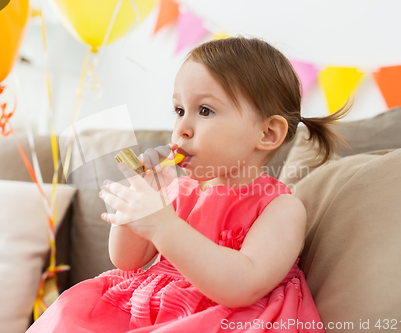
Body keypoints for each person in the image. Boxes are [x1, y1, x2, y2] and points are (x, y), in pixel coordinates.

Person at [26, 36, 351, 333]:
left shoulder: (280, 206)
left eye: (204, 110)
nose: (181, 127)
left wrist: (163, 226)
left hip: (223, 319)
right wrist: (143, 199)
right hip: (148, 309)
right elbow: (125, 261)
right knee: (72, 313)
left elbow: (243, 285)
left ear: (267, 134)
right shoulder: (178, 191)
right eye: (179, 110)